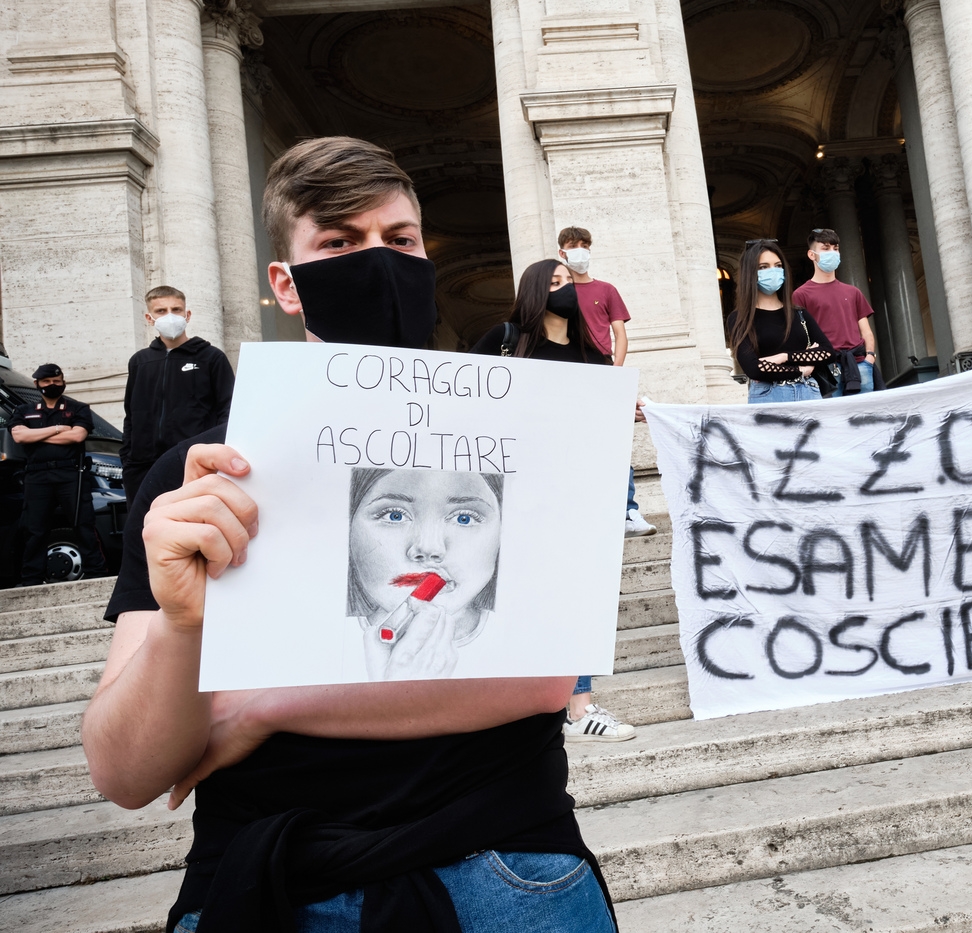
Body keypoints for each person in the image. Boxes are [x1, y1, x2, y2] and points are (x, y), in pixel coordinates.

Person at [82, 137, 617, 933]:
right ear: (286, 282)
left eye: (399, 240)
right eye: (338, 242)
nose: (377, 260)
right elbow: (126, 770)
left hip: (507, 867)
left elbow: (537, 678)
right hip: (264, 883)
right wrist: (185, 627)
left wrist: (256, 708)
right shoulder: (195, 477)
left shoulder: (519, 431)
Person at [470, 258, 639, 745]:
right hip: (517, 487)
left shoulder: (592, 354)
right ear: (536, 290)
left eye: (572, 282)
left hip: (578, 488)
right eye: (559, 282)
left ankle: (579, 705)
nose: (569, 289)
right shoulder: (507, 341)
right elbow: (465, 401)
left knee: (579, 589)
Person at [346, 467, 505, 682]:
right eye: (394, 515)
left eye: (464, 519)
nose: (429, 549)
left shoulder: (524, 641)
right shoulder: (321, 643)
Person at [556, 226, 656, 537]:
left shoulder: (606, 290)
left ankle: (628, 513)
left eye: (585, 245)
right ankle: (584, 513)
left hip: (604, 369)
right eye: (574, 245)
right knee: (574, 445)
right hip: (569, 371)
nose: (580, 250)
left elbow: (620, 334)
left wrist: (616, 371)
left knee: (616, 444)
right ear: (562, 252)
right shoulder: (559, 291)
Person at [120, 286, 235, 501]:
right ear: (149, 317)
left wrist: (215, 452)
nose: (170, 316)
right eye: (161, 311)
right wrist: (127, 458)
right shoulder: (140, 361)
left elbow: (228, 410)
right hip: (143, 467)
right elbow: (131, 414)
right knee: (144, 530)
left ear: (187, 314)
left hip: (193, 463)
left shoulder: (211, 357)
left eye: (176, 309)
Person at [5, 363, 107, 583]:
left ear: (63, 382)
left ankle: (96, 573)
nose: (52, 385)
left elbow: (77, 437)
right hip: (37, 476)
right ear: (37, 384)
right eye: (47, 382)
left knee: (83, 524)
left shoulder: (78, 408)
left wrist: (36, 434)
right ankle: (31, 578)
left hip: (70, 473)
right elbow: (20, 437)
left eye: (57, 381)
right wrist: (59, 429)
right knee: (35, 529)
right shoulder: (24, 411)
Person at [728, 238, 835, 403]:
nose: (773, 271)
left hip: (809, 392)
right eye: (763, 267)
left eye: (778, 266)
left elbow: (827, 352)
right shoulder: (740, 319)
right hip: (769, 396)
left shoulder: (798, 313)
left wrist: (783, 357)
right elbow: (754, 369)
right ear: (750, 273)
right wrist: (801, 369)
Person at [793, 228, 879, 394]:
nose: (832, 252)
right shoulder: (800, 295)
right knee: (832, 419)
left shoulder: (853, 292)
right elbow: (799, 337)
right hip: (824, 368)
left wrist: (870, 357)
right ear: (812, 255)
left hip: (860, 364)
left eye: (835, 248)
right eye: (825, 249)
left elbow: (866, 331)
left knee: (866, 417)